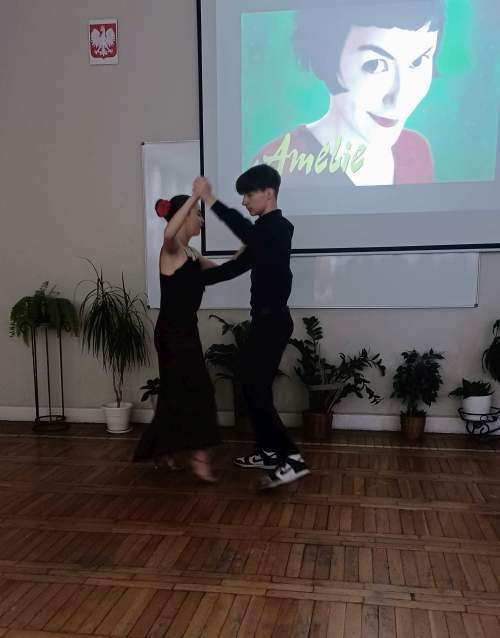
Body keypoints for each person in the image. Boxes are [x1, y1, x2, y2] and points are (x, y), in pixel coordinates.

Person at [194, 166, 310, 489]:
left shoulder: (277, 229)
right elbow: (234, 268)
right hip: (265, 320)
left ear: (268, 193)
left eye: (249, 194)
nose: (244, 201)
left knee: (255, 390)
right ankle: (269, 451)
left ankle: (291, 458)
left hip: (273, 321)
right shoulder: (262, 235)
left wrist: (210, 199)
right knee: (252, 387)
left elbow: (245, 232)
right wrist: (192, 274)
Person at [252, 1, 446, 186]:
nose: (400, 99)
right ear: (327, 60)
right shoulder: (277, 166)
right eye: (374, 65)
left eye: (419, 61)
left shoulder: (414, 150)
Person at [133, 194, 221, 482]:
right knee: (201, 390)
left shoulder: (193, 254)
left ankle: (163, 451)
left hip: (186, 331)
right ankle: (199, 457)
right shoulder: (170, 251)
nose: (202, 219)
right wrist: (196, 194)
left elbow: (220, 272)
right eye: (197, 213)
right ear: (183, 216)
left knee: (174, 395)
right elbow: (169, 233)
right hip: (172, 334)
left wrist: (248, 255)